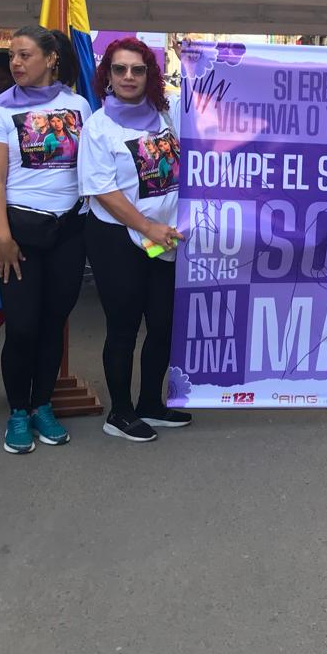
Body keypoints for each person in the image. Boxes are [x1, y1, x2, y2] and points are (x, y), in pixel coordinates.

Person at [0, 26, 93, 454]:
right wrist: (2, 236)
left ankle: (42, 404)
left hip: (69, 229)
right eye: (13, 56)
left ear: (51, 59)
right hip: (20, 231)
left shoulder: (78, 105)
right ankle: (17, 411)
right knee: (23, 327)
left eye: (26, 55)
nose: (17, 63)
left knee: (52, 324)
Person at [79, 37, 190, 442]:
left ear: (151, 74)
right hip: (117, 237)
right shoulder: (98, 126)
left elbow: (211, 107)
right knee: (124, 326)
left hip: (166, 237)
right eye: (120, 69)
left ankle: (150, 404)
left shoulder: (167, 115)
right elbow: (102, 190)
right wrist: (147, 227)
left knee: (162, 323)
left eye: (138, 69)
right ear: (107, 74)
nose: (129, 77)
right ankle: (120, 413)